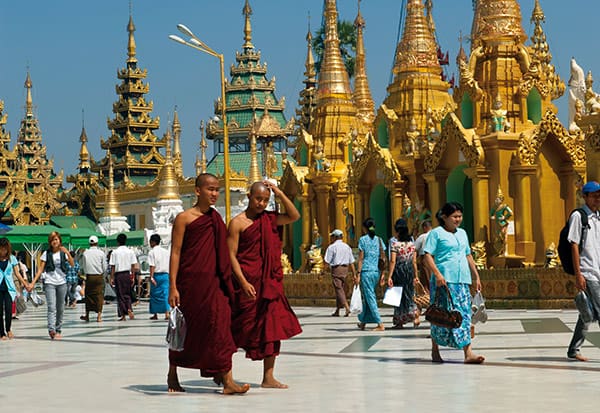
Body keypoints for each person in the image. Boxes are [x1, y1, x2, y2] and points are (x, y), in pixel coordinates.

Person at [168, 173, 249, 395]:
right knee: (186, 330)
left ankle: (227, 379)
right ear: (197, 191)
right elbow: (175, 252)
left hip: (215, 283)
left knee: (221, 327)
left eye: (217, 190)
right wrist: (172, 286)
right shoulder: (184, 218)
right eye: (210, 189)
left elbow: (224, 253)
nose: (214, 194)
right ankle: (172, 373)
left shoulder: (216, 219)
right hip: (191, 283)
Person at [228, 181, 302, 389]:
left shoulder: (270, 220)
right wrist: (242, 282)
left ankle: (268, 377)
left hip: (269, 284)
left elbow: (294, 216)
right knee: (237, 328)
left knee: (272, 329)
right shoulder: (238, 223)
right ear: (249, 196)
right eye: (258, 198)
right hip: (247, 283)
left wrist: (279, 193)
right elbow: (231, 256)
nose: (261, 203)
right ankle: (225, 373)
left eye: (265, 200)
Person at [423, 202, 485, 364]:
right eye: (454, 217)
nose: (458, 219)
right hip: (443, 280)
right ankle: (435, 350)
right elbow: (427, 255)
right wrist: (437, 274)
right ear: (445, 217)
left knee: (464, 314)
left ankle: (468, 353)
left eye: (460, 216)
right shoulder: (436, 234)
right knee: (440, 314)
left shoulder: (462, 233)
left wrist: (476, 276)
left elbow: (468, 255)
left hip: (461, 279)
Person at [567, 181, 600, 361]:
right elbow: (574, 244)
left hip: (598, 270)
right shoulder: (579, 217)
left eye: (599, 196)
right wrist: (578, 274)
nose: (597, 199)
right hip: (587, 272)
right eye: (594, 196)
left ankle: (574, 349)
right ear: (585, 197)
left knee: (588, 313)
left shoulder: (598, 217)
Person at [29, 231, 75, 340]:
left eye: (56, 239)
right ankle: (51, 329)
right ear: (50, 242)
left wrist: (68, 253)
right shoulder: (46, 253)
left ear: (59, 241)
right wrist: (33, 282)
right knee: (51, 307)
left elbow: (72, 264)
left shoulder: (63, 252)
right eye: (52, 240)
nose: (55, 242)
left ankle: (58, 329)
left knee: (60, 308)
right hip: (50, 282)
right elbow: (40, 269)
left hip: (62, 282)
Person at [387, 219, 419, 329]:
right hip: (409, 271)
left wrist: (390, 276)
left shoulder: (395, 245)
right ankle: (415, 316)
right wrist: (416, 275)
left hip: (399, 271)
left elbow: (393, 261)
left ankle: (399, 321)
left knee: (398, 296)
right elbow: (414, 261)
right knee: (409, 294)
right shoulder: (412, 245)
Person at [356, 217, 386, 331]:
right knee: (368, 297)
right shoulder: (379, 240)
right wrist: (382, 274)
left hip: (366, 272)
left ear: (364, 228)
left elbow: (361, 258)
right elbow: (383, 257)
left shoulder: (363, 240)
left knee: (370, 297)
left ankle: (380, 323)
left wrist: (358, 273)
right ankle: (363, 321)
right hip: (376, 272)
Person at [0, 238, 28, 340]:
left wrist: (25, 283)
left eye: (5, 249)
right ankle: (1, 333)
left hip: (8, 288)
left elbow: (17, 273)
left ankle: (8, 329)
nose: (3, 251)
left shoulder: (12, 259)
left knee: (8, 309)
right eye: (1, 249)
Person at [323, 229, 356, 317]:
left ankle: (347, 307)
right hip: (345, 269)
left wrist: (322, 272)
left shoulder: (332, 247)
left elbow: (327, 261)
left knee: (339, 289)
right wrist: (354, 274)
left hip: (336, 269)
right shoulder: (347, 247)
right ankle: (337, 310)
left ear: (335, 237)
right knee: (341, 289)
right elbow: (351, 261)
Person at [109, 233, 138, 321]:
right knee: (127, 294)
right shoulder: (130, 251)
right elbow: (134, 265)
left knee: (120, 295)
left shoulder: (115, 252)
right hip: (127, 274)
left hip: (119, 275)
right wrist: (132, 276)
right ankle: (129, 308)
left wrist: (112, 277)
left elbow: (112, 266)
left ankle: (123, 315)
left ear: (117, 242)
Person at [80, 235, 107, 322]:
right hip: (99, 276)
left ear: (89, 243)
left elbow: (83, 266)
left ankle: (87, 315)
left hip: (89, 276)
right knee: (99, 295)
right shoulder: (101, 253)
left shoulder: (85, 253)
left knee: (88, 295)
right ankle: (99, 316)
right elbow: (104, 266)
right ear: (97, 243)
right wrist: (103, 274)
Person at [148, 233, 170, 320]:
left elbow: (152, 265)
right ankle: (167, 312)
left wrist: (151, 276)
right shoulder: (166, 251)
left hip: (156, 275)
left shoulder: (152, 252)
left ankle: (155, 313)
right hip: (165, 275)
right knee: (165, 294)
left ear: (153, 242)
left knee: (154, 295)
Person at [413, 220, 432, 289]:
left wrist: (414, 261)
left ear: (424, 228)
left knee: (426, 280)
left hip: (425, 259)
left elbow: (414, 249)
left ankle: (428, 296)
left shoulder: (422, 237)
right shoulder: (435, 235)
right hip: (435, 258)